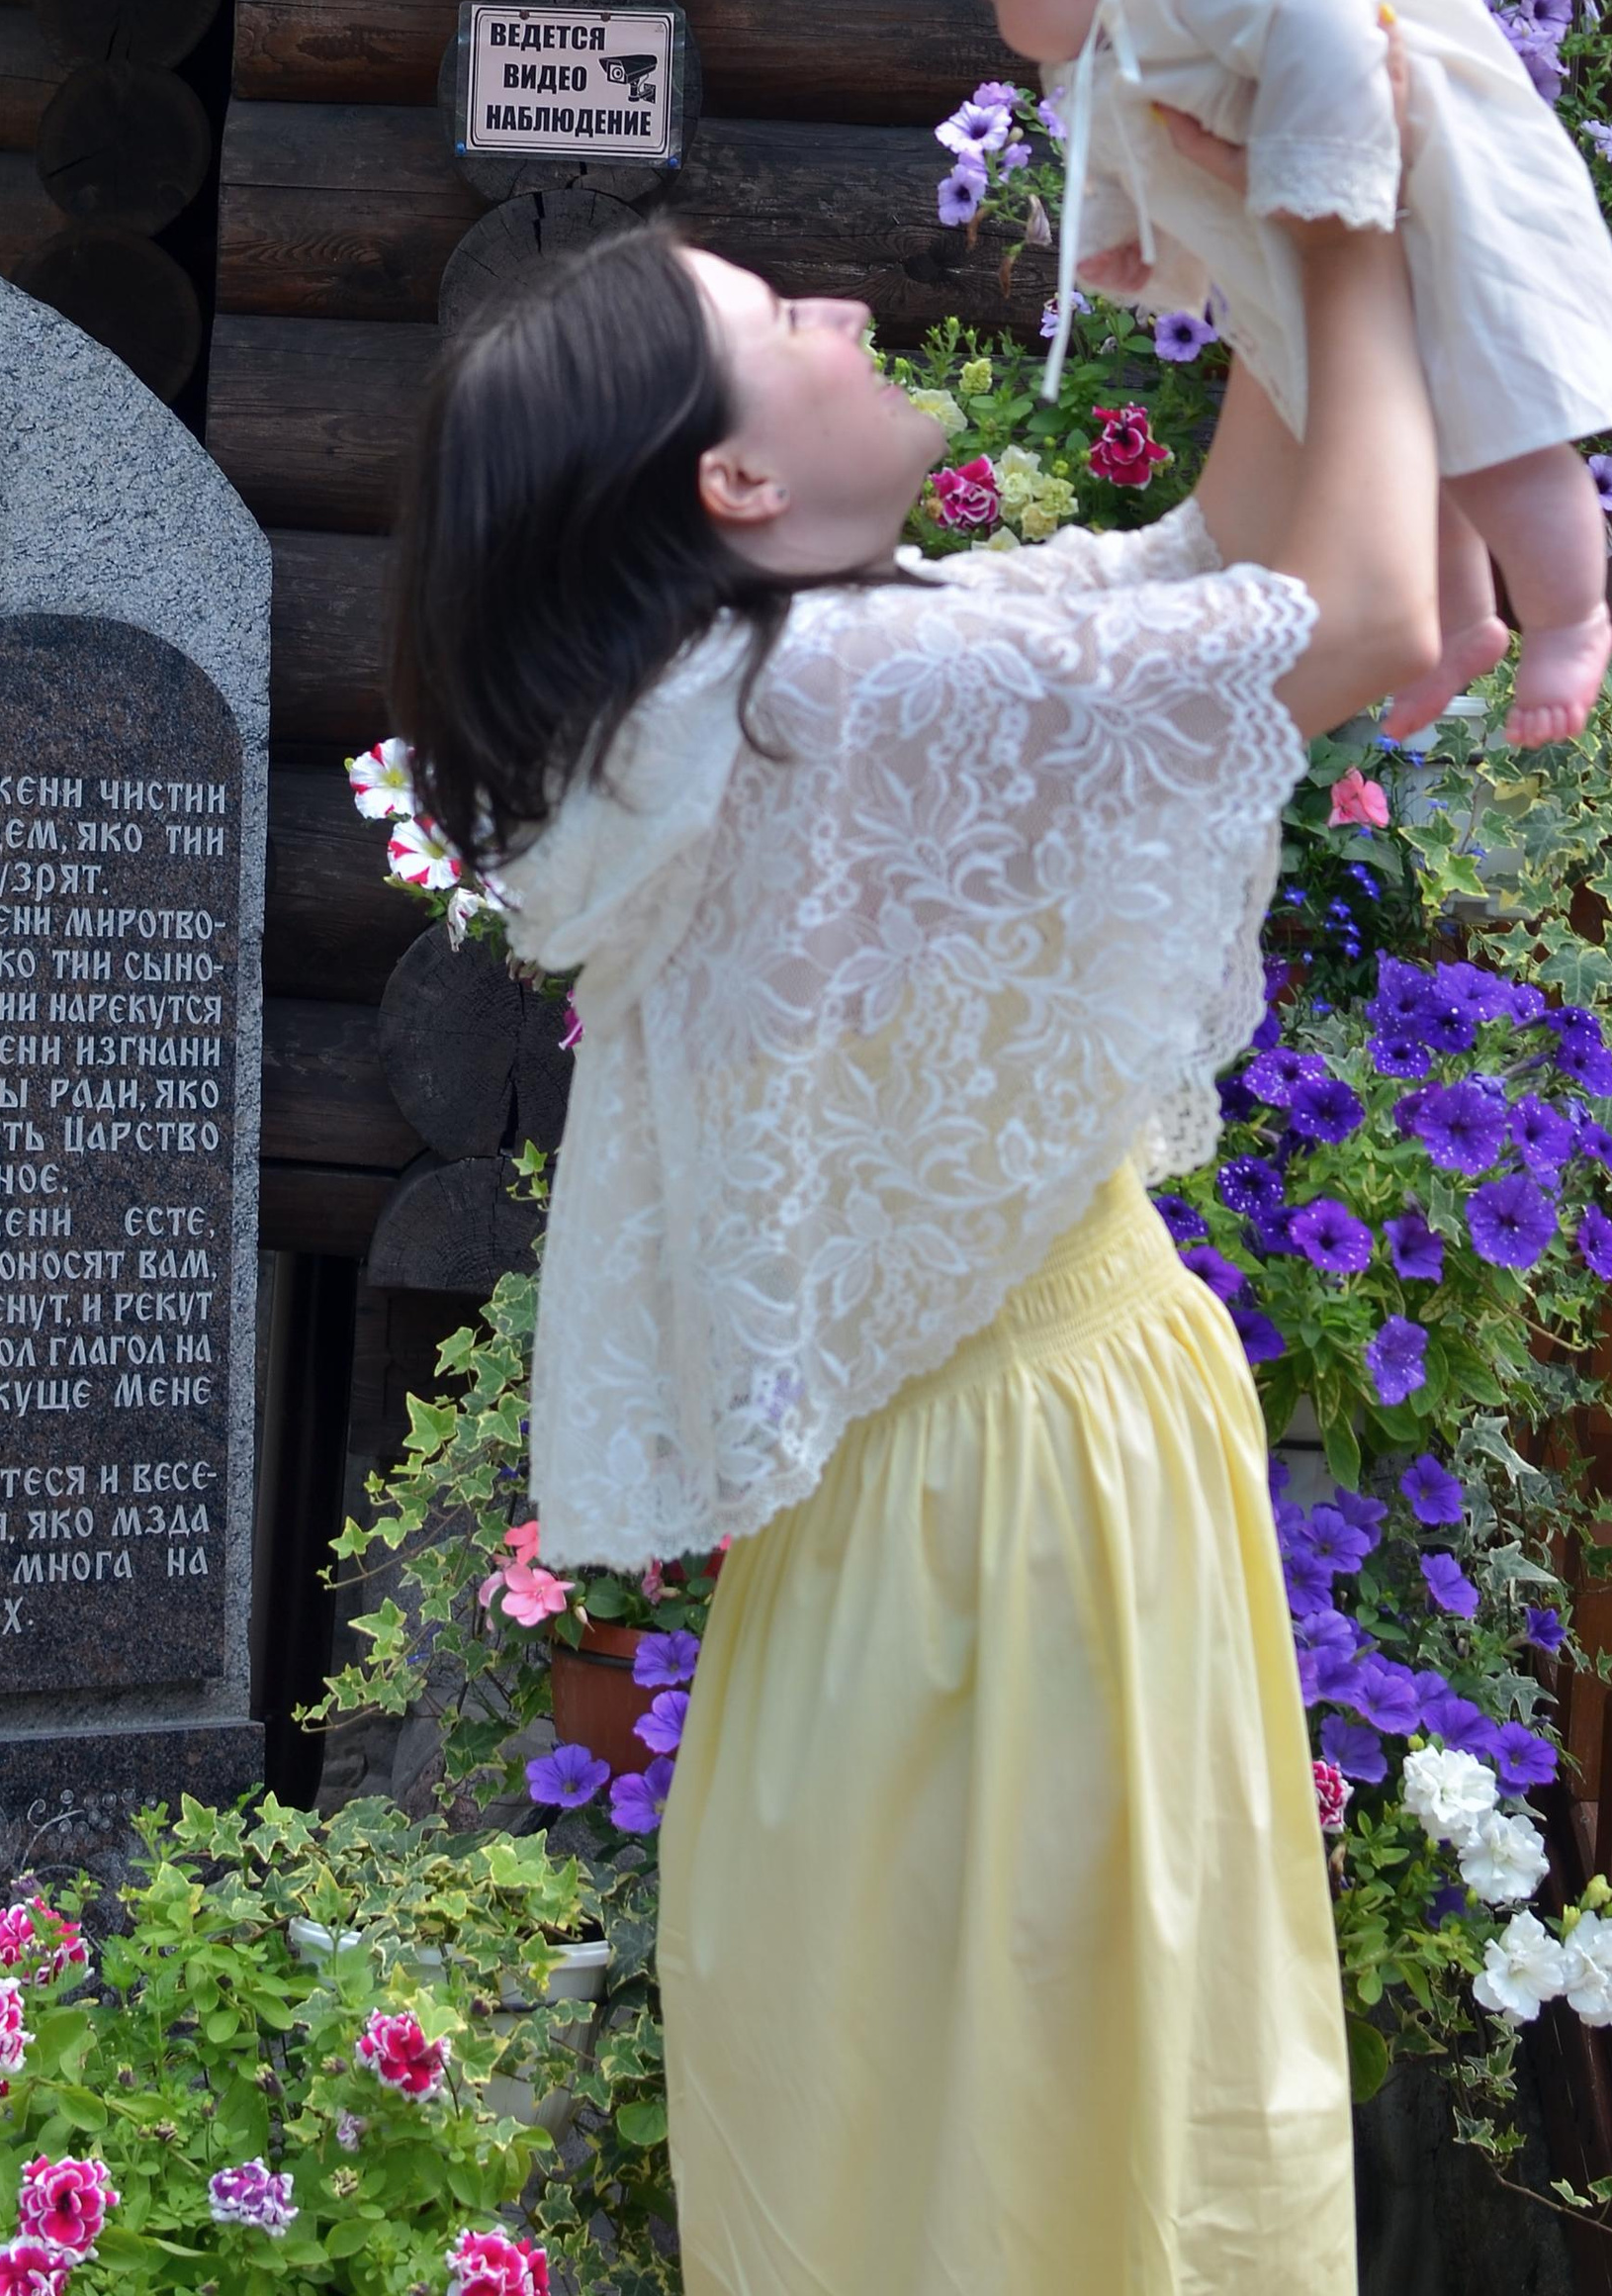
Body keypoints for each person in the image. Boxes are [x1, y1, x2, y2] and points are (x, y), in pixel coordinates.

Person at [388, 141, 1444, 2296]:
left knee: (948, 2170)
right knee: (1090, 2162)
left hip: (931, 1530)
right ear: (733, 492)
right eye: (778, 325)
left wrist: (1241, 214)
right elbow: (1371, 621)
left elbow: (1222, 553)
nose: (842, 318)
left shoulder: (767, 698)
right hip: (1018, 1528)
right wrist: (1349, 222)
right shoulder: (826, 708)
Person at [925, 0, 1612, 745]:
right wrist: (1120, 238)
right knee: (1405, 445)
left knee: (1495, 434)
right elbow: (1109, 148)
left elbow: (1326, 23)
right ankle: (1463, 623)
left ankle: (1571, 619)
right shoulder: (1102, 40)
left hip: (1424, 192)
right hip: (1318, 230)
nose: (998, 23)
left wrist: (1326, 196)